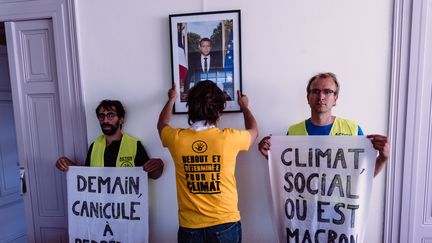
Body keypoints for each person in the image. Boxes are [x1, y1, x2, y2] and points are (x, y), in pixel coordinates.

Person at [158, 80, 258, 242]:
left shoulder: (176, 139)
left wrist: (171, 100)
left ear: (190, 107)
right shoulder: (229, 138)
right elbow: (254, 130)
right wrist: (244, 105)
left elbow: (161, 124)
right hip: (225, 223)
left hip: (190, 226)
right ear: (219, 109)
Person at [258, 72, 389, 177]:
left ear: (335, 98)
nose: (321, 97)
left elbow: (365, 175)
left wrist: (383, 158)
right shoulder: (293, 132)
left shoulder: (353, 130)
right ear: (308, 97)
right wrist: (270, 156)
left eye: (327, 91)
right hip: (305, 207)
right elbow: (289, 172)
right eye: (315, 91)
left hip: (341, 208)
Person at [56, 99, 164, 179]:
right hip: (100, 207)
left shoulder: (134, 145)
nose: (105, 120)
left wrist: (158, 165)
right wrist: (70, 166)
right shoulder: (95, 146)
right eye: (101, 116)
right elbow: (88, 177)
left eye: (111, 115)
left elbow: (153, 174)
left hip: (125, 208)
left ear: (121, 120)